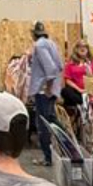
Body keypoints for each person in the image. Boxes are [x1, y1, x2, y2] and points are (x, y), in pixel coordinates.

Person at [28, 22, 63, 167]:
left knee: (43, 124)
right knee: (51, 120)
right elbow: (59, 66)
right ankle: (64, 148)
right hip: (51, 88)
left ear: (33, 34)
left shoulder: (39, 45)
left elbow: (51, 68)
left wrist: (48, 87)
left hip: (43, 90)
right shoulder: (51, 43)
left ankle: (48, 157)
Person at [61, 40, 93, 108]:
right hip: (76, 91)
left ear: (88, 50)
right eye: (80, 47)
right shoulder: (70, 63)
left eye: (85, 47)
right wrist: (79, 89)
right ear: (76, 49)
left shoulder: (92, 61)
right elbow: (67, 80)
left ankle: (83, 104)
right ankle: (83, 103)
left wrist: (90, 72)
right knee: (65, 91)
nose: (82, 48)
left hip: (90, 90)